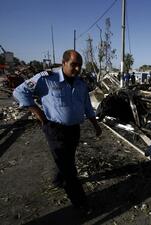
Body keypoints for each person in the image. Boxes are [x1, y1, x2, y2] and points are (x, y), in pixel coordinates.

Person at [13, 50, 102, 215]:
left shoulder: (81, 84)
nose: (77, 69)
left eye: (79, 66)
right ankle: (81, 202)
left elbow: (87, 107)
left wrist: (96, 125)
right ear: (64, 63)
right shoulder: (46, 78)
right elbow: (19, 92)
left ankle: (58, 179)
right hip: (55, 129)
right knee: (70, 169)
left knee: (67, 158)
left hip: (74, 129)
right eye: (73, 65)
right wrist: (39, 114)